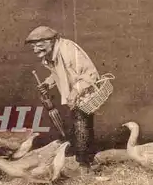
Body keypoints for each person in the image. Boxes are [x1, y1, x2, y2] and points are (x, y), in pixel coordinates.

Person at [25, 26, 100, 171]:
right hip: (76, 97)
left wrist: (74, 92)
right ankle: (89, 161)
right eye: (33, 47)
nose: (35, 50)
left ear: (50, 41)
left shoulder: (68, 50)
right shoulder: (52, 54)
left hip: (84, 94)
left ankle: (84, 164)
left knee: (81, 127)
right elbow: (58, 73)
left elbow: (90, 74)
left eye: (39, 46)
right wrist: (47, 83)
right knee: (81, 126)